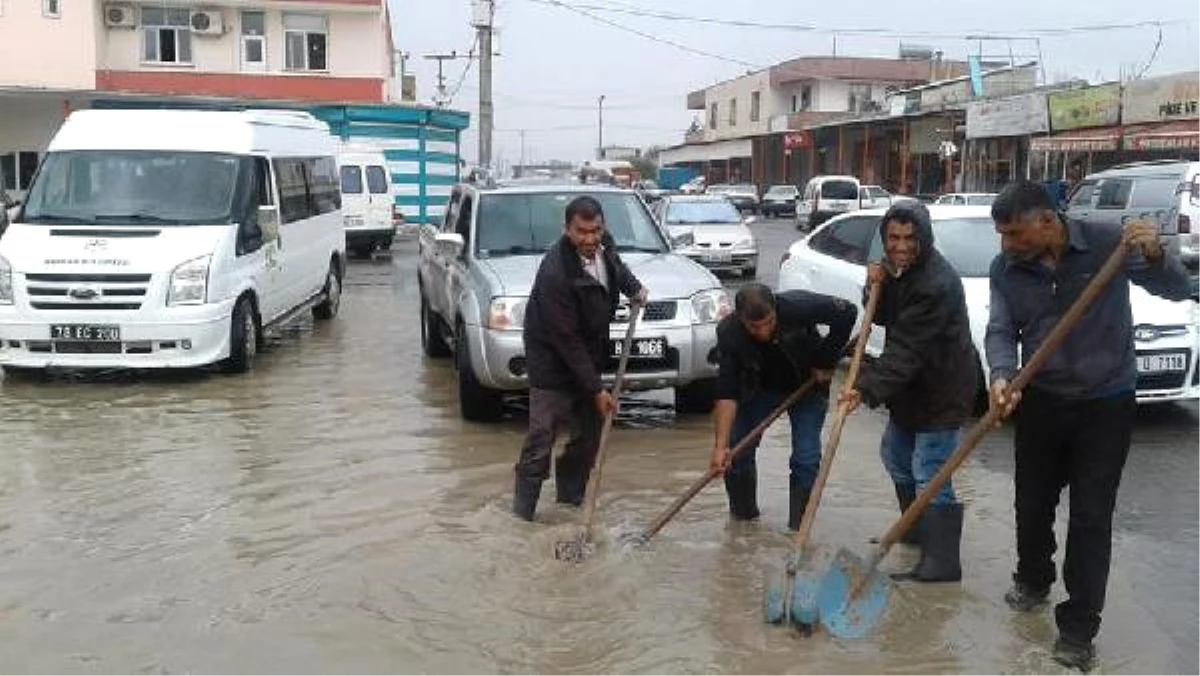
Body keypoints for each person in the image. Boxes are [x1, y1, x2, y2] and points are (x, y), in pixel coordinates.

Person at [985, 181, 1190, 671]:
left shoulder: (1108, 244)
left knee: (1091, 518)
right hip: (1041, 401)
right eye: (1002, 235)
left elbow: (1178, 288)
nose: (1007, 245)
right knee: (1031, 506)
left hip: (1106, 402)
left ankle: (1078, 628)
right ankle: (1033, 579)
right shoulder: (1006, 268)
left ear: (1048, 221)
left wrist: (1157, 254)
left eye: (1014, 233)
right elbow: (1000, 329)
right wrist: (1000, 375)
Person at [839, 202, 979, 582]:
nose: (900, 246)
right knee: (896, 455)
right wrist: (874, 284)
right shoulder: (899, 272)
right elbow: (881, 316)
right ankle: (917, 531)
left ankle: (942, 564)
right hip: (910, 387)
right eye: (893, 238)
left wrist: (865, 389)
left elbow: (907, 349)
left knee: (930, 470)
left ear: (924, 239)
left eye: (909, 239)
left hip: (942, 386)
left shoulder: (936, 282)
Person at [512, 195, 648, 521]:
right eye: (581, 232)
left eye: (596, 230)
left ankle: (569, 503)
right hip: (552, 364)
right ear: (567, 230)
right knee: (541, 440)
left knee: (588, 438)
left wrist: (634, 288)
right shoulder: (554, 273)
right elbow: (566, 340)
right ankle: (521, 518)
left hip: (589, 354)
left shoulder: (605, 244)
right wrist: (597, 390)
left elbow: (616, 266)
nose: (590, 239)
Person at [709, 284, 856, 530]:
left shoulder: (799, 306)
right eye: (754, 327)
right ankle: (743, 524)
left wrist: (826, 360)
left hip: (808, 385)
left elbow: (847, 312)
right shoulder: (729, 332)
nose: (763, 332)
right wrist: (720, 447)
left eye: (769, 322)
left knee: (806, 458)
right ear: (740, 318)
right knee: (736, 451)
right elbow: (727, 393)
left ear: (776, 309)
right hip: (759, 389)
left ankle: (798, 529)